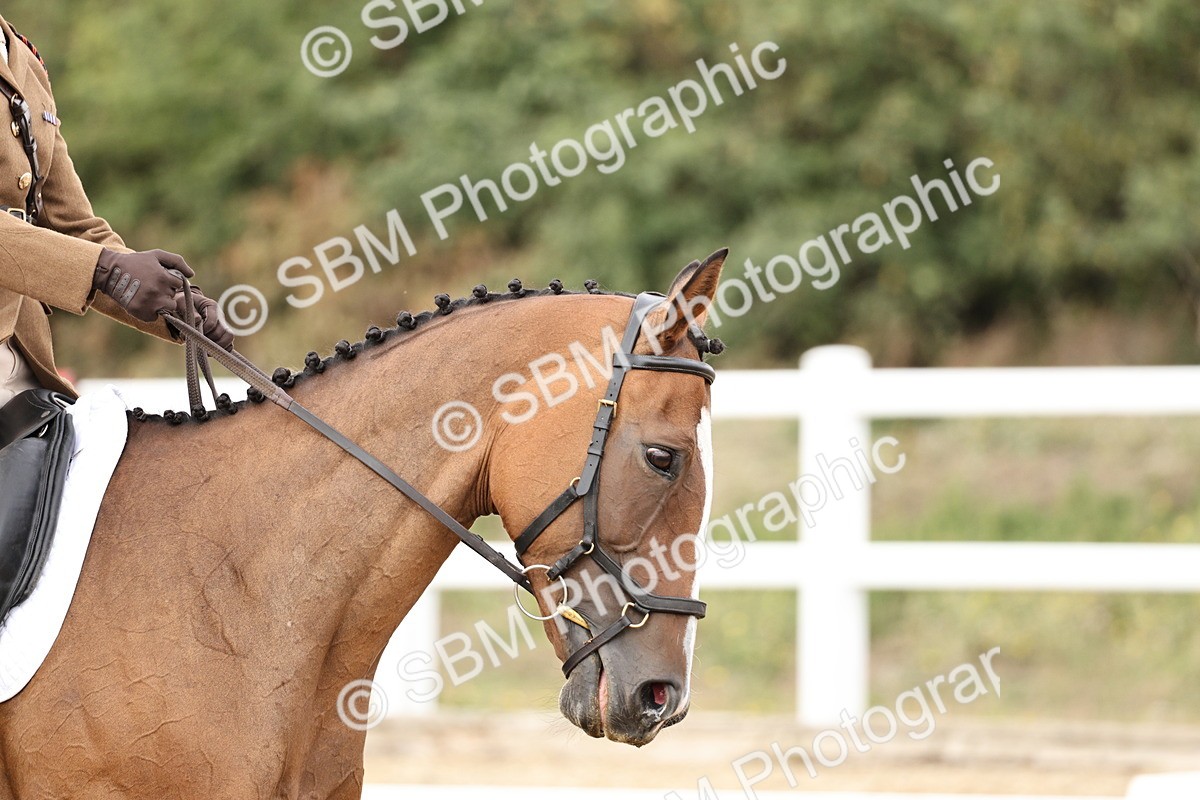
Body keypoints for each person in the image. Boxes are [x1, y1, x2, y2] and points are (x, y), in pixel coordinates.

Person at [0, 15, 232, 407]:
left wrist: (174, 304)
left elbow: (74, 227)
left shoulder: (21, 55)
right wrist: (104, 270)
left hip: (24, 363)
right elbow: (96, 261)